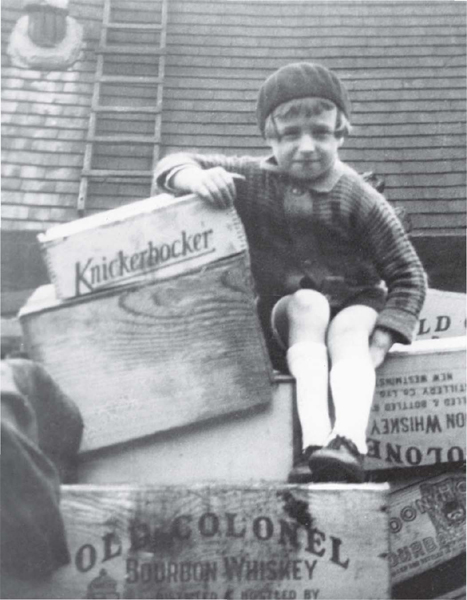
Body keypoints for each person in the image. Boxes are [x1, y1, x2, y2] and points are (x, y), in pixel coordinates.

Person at [154, 62, 427, 483]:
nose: (305, 146)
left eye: (320, 132)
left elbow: (408, 274)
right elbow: (174, 161)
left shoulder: (359, 197)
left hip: (356, 306)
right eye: (289, 135)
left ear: (341, 134)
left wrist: (388, 331)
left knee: (352, 327)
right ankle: (313, 443)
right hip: (290, 321)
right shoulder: (252, 179)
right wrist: (194, 177)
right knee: (309, 302)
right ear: (269, 137)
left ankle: (348, 442)